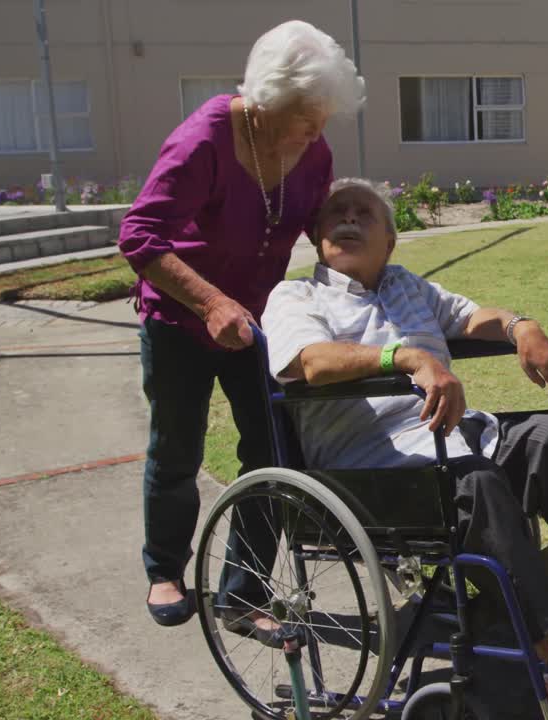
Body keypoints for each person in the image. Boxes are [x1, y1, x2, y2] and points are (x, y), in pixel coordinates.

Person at [261, 178, 548, 718]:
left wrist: (520, 326)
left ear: (389, 240)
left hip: (451, 440)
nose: (347, 218)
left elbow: (471, 316)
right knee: (474, 482)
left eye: (364, 212)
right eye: (335, 213)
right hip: (369, 471)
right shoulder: (296, 295)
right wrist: (407, 358)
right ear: (318, 240)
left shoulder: (408, 286)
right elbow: (308, 362)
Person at [117, 19, 365, 633]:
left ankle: (242, 594)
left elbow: (317, 224)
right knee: (177, 447)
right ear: (266, 103)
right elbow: (139, 236)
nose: (318, 131)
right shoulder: (202, 139)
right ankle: (165, 570)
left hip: (259, 322)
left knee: (273, 447)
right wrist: (209, 303)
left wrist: (365, 267)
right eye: (308, 116)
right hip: (180, 317)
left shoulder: (313, 150)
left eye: (324, 117)